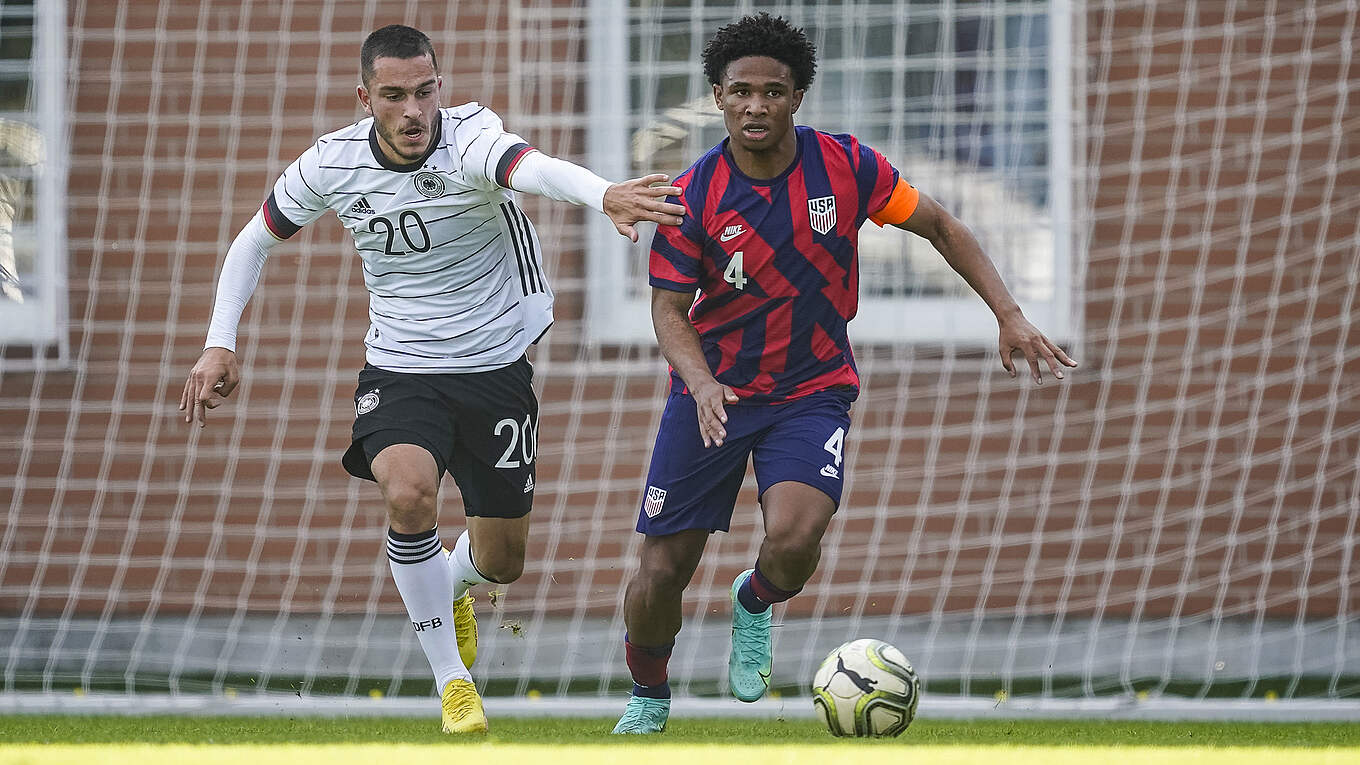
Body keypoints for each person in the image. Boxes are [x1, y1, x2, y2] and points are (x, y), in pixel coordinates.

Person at [177, 24, 684, 735]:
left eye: (424, 91)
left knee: (502, 560)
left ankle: (456, 585)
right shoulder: (333, 161)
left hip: (496, 365)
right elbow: (254, 239)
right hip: (400, 366)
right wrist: (217, 342)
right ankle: (453, 683)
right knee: (409, 492)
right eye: (393, 96)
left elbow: (534, 167)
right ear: (365, 98)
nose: (413, 111)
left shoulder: (471, 139)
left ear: (438, 88)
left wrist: (604, 196)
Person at [611, 13, 1077, 734]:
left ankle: (755, 602)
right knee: (662, 569)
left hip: (811, 388)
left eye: (773, 91)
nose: (756, 106)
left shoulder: (848, 167)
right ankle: (647, 694)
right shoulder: (693, 196)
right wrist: (700, 382)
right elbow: (669, 310)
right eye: (741, 92)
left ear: (797, 96)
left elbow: (943, 227)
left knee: (796, 537)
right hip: (715, 392)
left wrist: (1009, 314)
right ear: (717, 96)